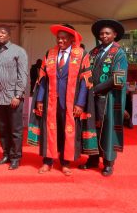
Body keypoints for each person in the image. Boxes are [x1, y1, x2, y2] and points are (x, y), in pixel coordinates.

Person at [27, 24, 98, 176]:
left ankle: (65, 163)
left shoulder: (81, 54)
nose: (60, 41)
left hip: (71, 102)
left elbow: (85, 82)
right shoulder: (50, 53)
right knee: (50, 131)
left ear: (72, 39)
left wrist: (80, 103)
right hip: (51, 101)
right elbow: (43, 79)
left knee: (68, 131)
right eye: (58, 38)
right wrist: (39, 99)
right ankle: (47, 161)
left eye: (63, 38)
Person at [79, 19, 128, 176]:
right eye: (101, 33)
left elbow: (118, 78)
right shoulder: (94, 52)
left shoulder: (119, 53)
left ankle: (108, 163)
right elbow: (85, 72)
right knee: (92, 128)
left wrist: (95, 89)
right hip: (93, 98)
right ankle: (93, 158)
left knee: (107, 130)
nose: (104, 36)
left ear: (114, 35)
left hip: (109, 98)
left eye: (107, 33)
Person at [0, 24, 28, 170]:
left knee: (15, 130)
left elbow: (22, 75)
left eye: (3, 33)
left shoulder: (19, 51)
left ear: (9, 35)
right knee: (3, 129)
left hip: (13, 98)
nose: (0, 35)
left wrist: (18, 95)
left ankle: (16, 157)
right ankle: (6, 154)